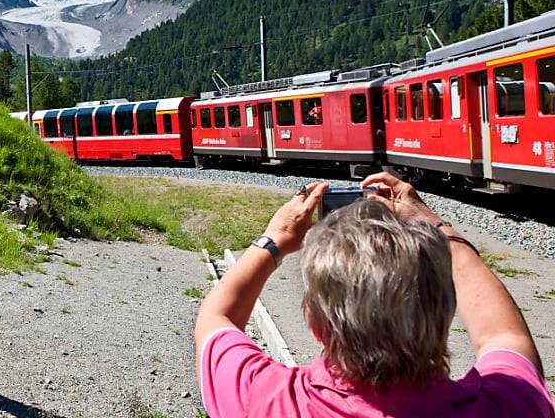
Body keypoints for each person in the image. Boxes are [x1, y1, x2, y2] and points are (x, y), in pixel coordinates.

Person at [195, 174, 554, 417]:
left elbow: (215, 318)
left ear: (315, 322)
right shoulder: (509, 404)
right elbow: (503, 336)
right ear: (445, 312)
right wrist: (438, 227)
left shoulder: (266, 398)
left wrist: (275, 240)